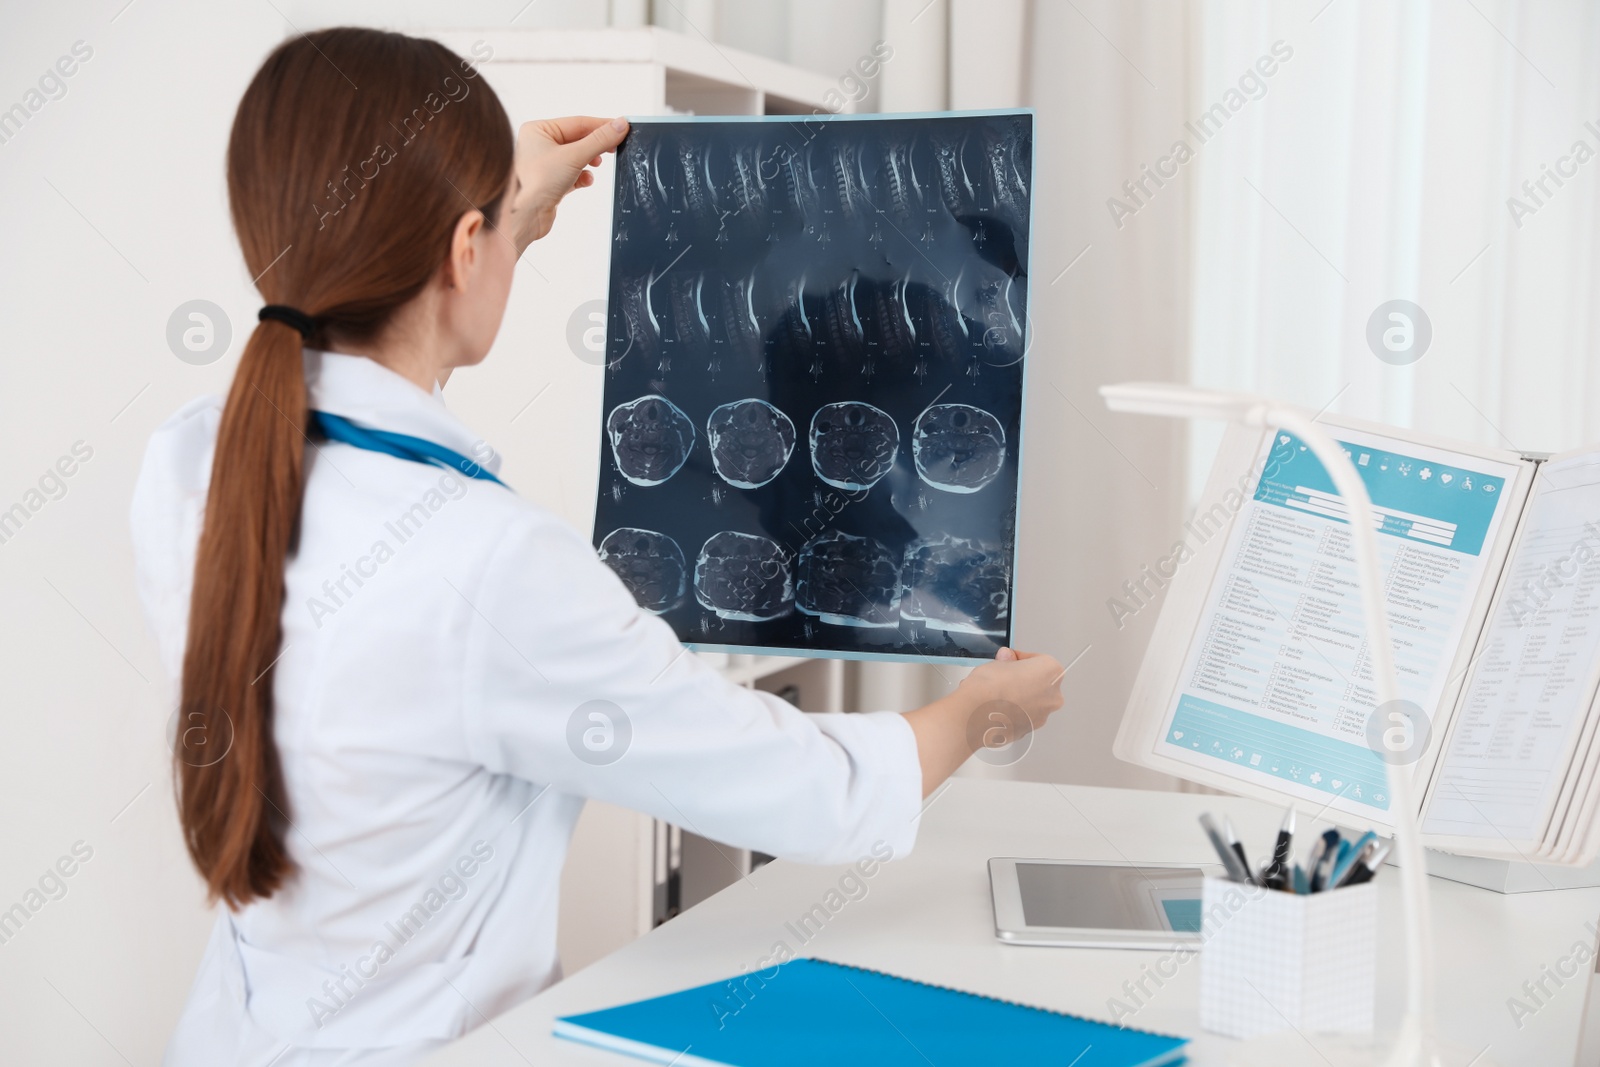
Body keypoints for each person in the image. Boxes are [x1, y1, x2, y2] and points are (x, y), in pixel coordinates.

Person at [131, 27, 1065, 1066]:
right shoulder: (490, 565)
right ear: (460, 250)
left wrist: (501, 217)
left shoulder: (187, 466)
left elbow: (380, 371)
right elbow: (809, 791)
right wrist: (985, 710)